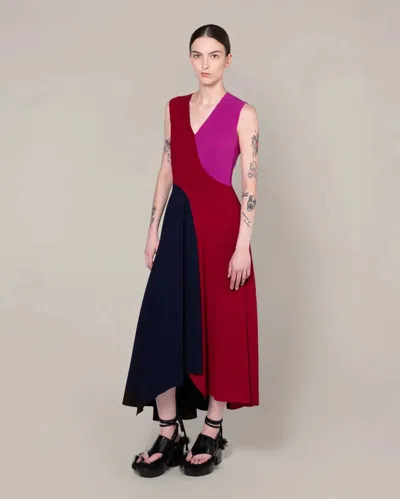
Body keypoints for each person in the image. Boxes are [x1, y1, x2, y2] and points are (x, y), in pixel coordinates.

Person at [122, 23, 259, 478]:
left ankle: (212, 429)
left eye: (214, 55)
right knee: (162, 323)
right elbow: (167, 167)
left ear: (228, 60)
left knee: (219, 325)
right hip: (178, 222)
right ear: (190, 59)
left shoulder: (243, 113)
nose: (205, 64)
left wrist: (243, 245)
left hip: (222, 229)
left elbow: (251, 183)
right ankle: (169, 432)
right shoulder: (174, 108)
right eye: (198, 55)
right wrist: (152, 228)